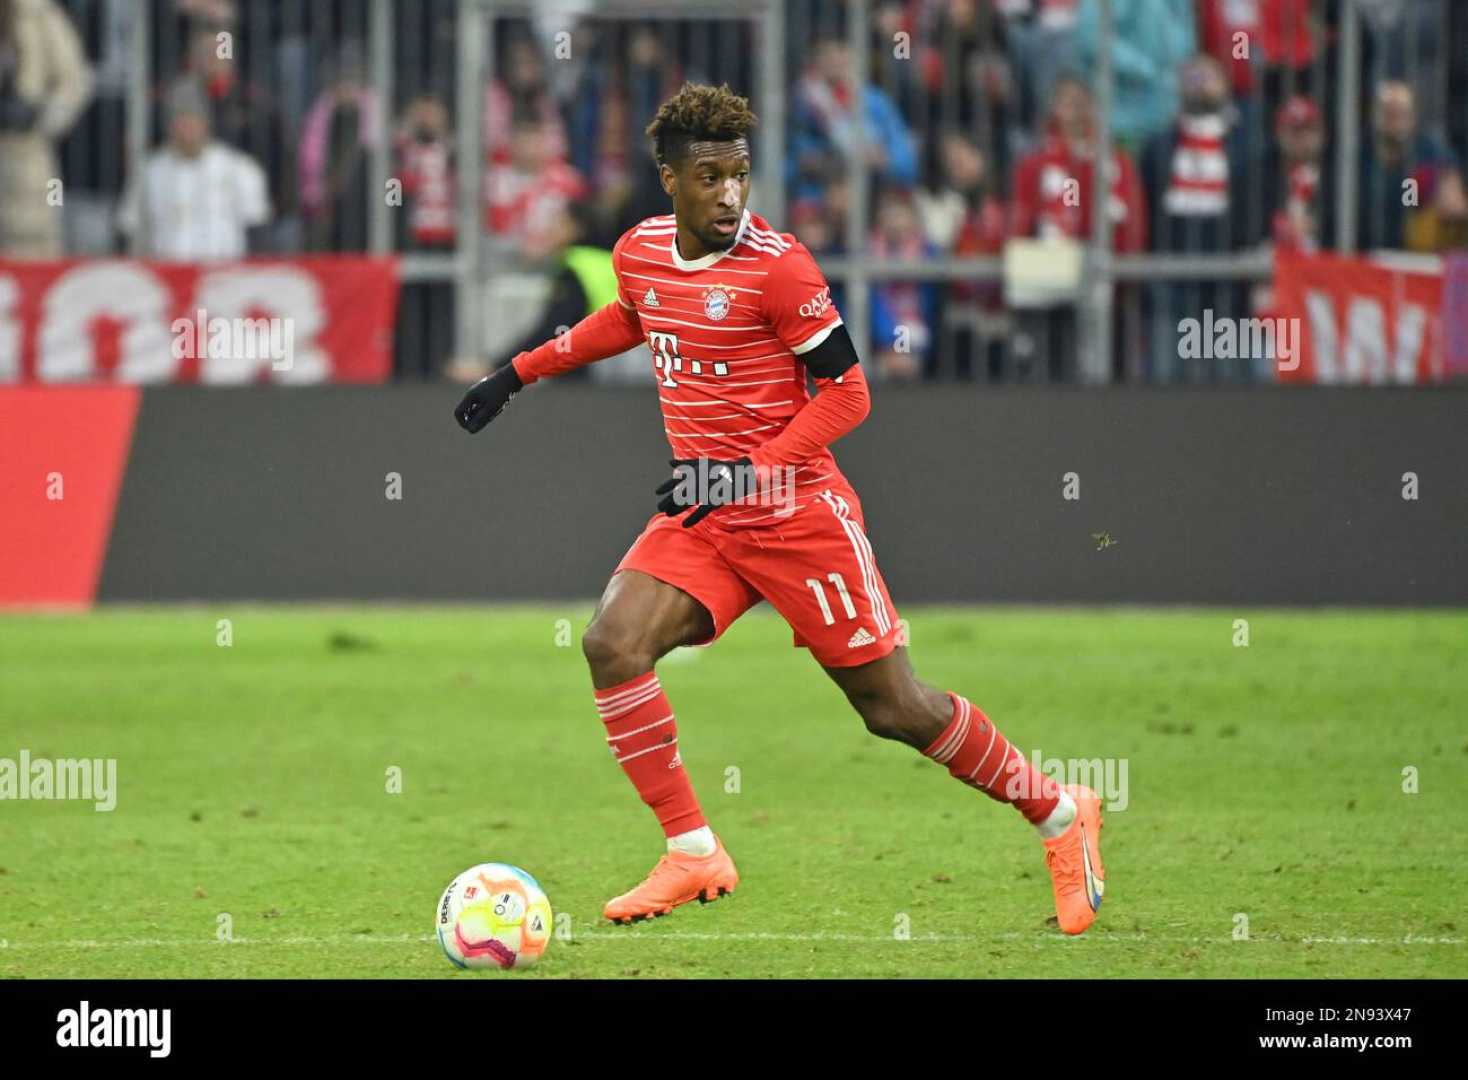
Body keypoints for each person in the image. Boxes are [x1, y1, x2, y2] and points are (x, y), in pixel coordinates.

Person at [453, 82, 1107, 936]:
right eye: (711, 177)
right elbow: (629, 318)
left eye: (740, 176)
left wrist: (744, 474)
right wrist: (518, 373)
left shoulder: (779, 266)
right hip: (708, 513)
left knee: (894, 709)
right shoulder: (641, 253)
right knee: (612, 643)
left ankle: (1059, 813)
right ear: (670, 180)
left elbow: (849, 394)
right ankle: (692, 849)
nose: (729, 195)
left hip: (797, 513)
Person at [117, 77, 269, 260]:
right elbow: (129, 229)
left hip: (223, 277)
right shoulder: (150, 172)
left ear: (206, 122)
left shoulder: (240, 169)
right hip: (166, 277)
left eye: (193, 118)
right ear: (169, 125)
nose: (187, 127)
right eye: (179, 119)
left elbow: (257, 232)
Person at [0, 0, 94, 257]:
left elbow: (76, 80)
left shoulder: (39, 12)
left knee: (33, 245)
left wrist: (40, 117)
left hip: (27, 153)